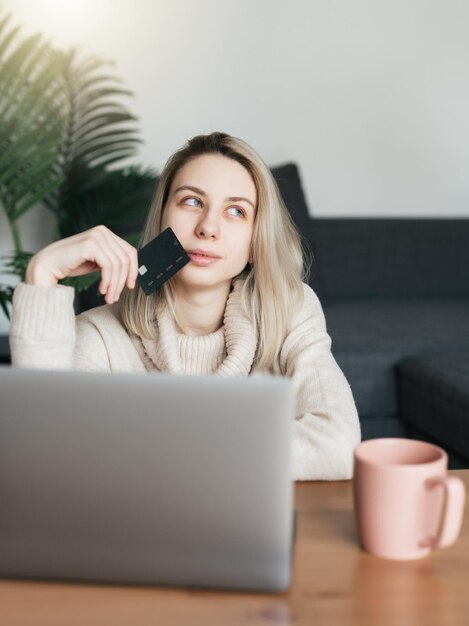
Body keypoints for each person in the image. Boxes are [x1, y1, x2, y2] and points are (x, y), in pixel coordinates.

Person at [9, 131, 361, 480]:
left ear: (256, 242)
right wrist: (41, 275)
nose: (208, 227)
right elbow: (45, 453)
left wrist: (159, 454)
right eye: (192, 201)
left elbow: (339, 443)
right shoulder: (102, 334)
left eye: (236, 211)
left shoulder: (290, 313)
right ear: (162, 219)